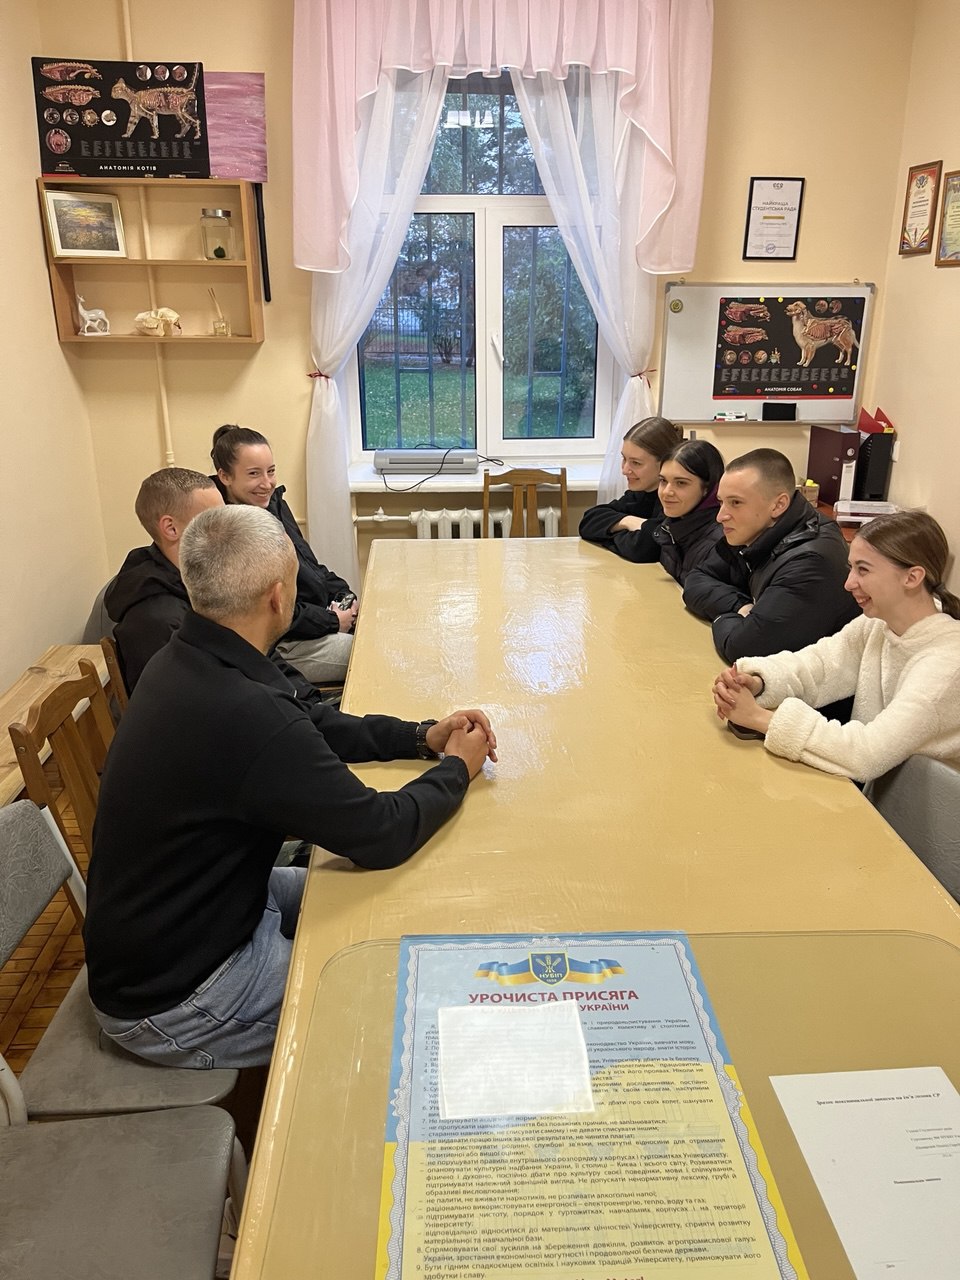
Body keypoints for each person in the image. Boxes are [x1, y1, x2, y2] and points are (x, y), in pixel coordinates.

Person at [83, 505, 497, 1069]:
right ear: (279, 598)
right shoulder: (243, 712)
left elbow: (311, 721)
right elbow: (380, 832)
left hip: (206, 910)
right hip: (178, 996)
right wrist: (458, 769)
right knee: (401, 999)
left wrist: (421, 736)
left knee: (397, 899)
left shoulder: (193, 652)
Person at [711, 510, 960, 782]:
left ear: (912, 577)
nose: (849, 583)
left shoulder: (946, 665)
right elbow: (821, 665)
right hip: (871, 794)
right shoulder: (878, 624)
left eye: (863, 570)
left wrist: (758, 718)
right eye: (850, 568)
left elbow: (866, 754)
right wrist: (757, 680)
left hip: (908, 809)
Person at [211, 424, 356, 684]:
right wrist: (333, 621)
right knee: (371, 654)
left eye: (271, 471)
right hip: (284, 645)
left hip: (317, 621)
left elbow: (310, 566)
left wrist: (343, 594)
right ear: (225, 476)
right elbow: (272, 612)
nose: (266, 483)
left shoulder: (274, 504)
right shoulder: (230, 533)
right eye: (254, 474)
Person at [683, 448, 859, 662]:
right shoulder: (754, 529)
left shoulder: (810, 562)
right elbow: (696, 580)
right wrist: (740, 606)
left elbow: (743, 648)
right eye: (721, 502)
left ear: (778, 505)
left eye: (735, 502)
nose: (721, 516)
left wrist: (721, 616)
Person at [105, 468, 222, 691]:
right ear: (171, 528)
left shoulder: (200, 578)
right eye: (214, 521)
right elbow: (187, 701)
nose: (229, 532)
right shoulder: (158, 621)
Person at [579, 416, 683, 560]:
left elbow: (641, 549)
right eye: (624, 459)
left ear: (664, 463)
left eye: (636, 463)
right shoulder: (642, 493)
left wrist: (608, 534)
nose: (624, 470)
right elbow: (589, 521)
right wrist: (628, 521)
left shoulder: (674, 499)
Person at [649, 439, 725, 584]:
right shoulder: (672, 525)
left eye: (681, 483)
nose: (666, 492)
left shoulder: (720, 541)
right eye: (663, 481)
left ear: (707, 489)